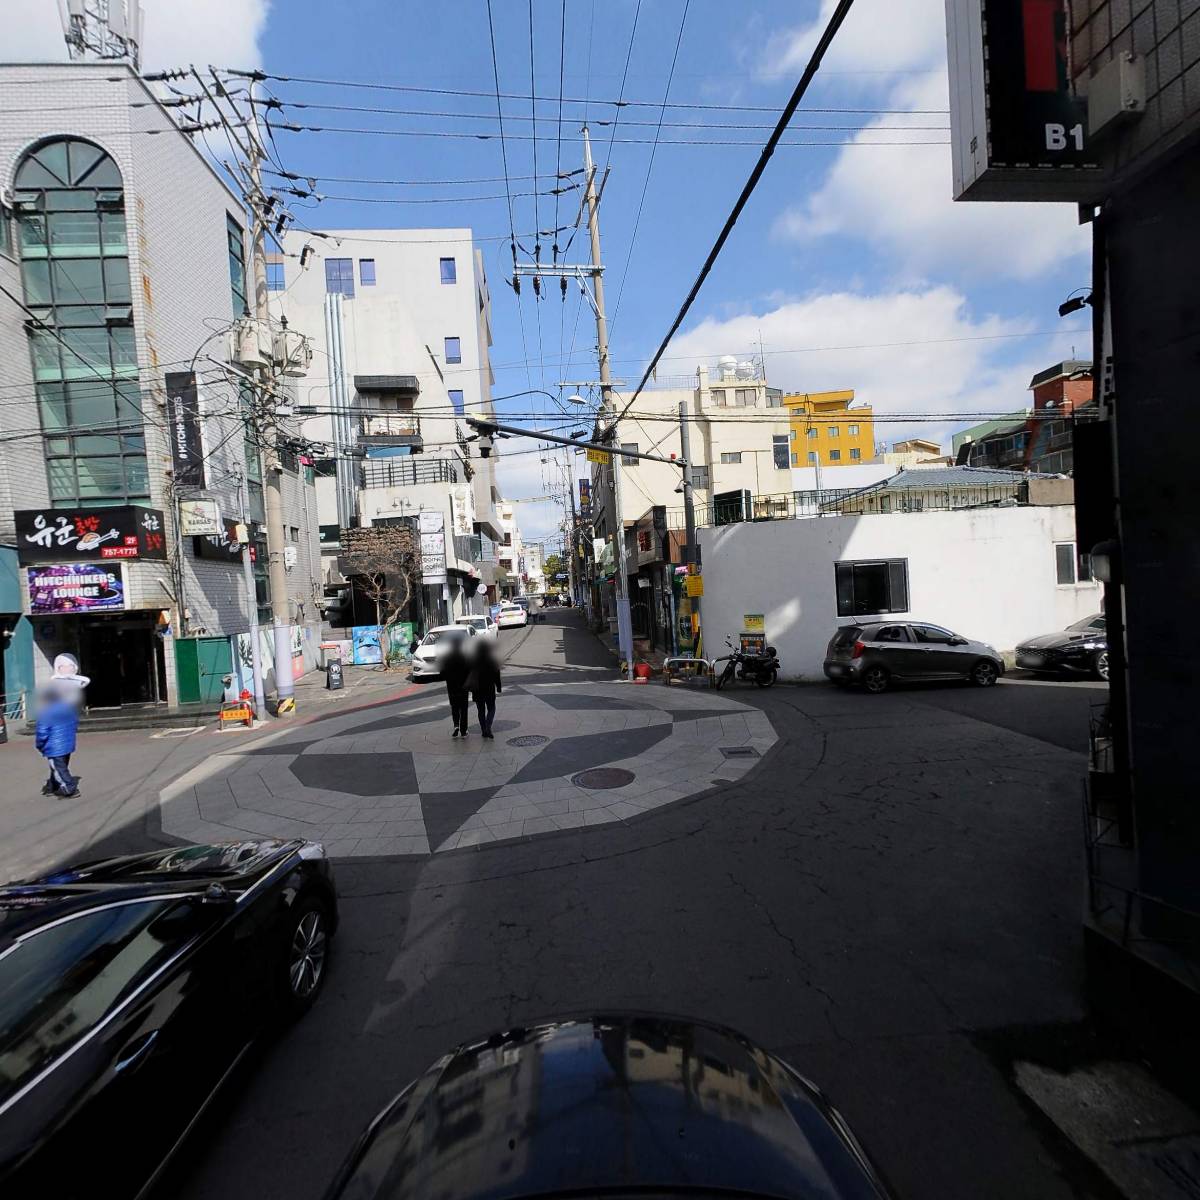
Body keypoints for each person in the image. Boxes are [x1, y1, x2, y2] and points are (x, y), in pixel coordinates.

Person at [35, 684, 80, 798]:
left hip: (54, 746)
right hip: (67, 744)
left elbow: (42, 732)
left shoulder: (46, 712)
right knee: (58, 767)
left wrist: (39, 745)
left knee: (59, 768)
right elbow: (75, 724)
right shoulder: (69, 708)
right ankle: (52, 786)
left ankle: (70, 789)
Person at [468, 640, 503, 740]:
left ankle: (484, 730)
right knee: (491, 708)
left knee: (481, 710)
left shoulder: (473, 661)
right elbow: (497, 675)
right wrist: (499, 686)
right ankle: (488, 726)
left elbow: (469, 675)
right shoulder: (492, 660)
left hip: (477, 690)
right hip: (489, 689)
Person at [442, 636, 471, 738]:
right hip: (463, 687)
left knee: (454, 707)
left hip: (452, 687)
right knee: (464, 709)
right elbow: (469, 672)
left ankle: (456, 726)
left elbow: (442, 673)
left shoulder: (447, 658)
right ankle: (464, 731)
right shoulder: (464, 657)